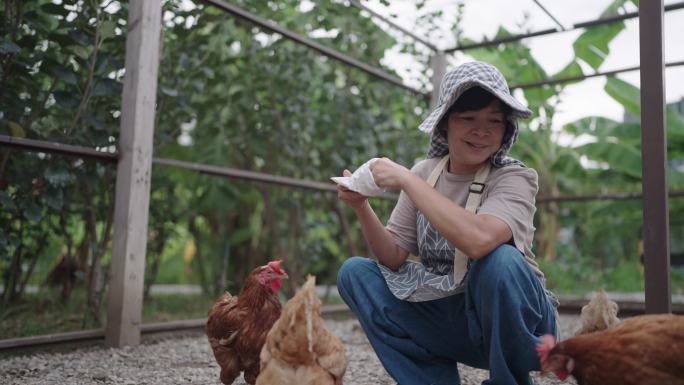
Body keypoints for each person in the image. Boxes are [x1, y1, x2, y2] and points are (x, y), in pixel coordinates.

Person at [335, 61, 559, 385]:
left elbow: (480, 241)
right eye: (468, 118)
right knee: (355, 273)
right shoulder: (425, 172)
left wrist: (408, 181)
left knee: (501, 261)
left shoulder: (515, 177)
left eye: (494, 122)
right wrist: (361, 205)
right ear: (444, 124)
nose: (481, 131)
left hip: (521, 329)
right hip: (451, 319)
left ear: (506, 130)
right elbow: (393, 256)